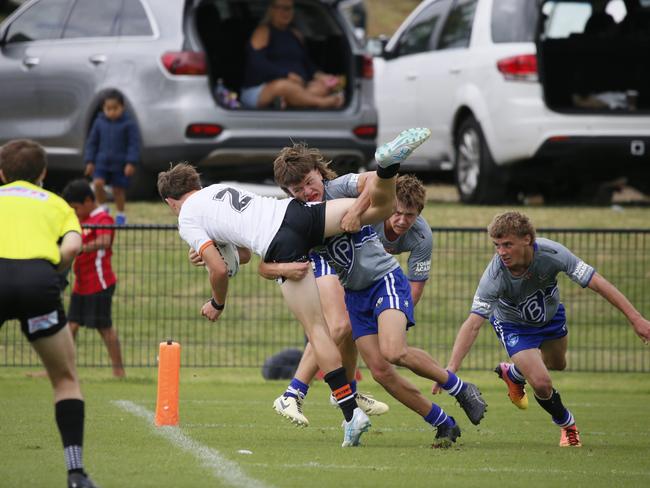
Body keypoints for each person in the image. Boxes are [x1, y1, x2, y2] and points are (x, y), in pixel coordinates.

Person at [158, 127, 431, 447]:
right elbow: (241, 254)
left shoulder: (186, 217)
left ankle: (351, 414)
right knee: (381, 210)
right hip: (296, 215)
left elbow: (221, 270)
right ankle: (386, 168)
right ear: (197, 185)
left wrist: (217, 302)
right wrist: (214, 250)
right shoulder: (217, 190)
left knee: (318, 330)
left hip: (278, 243)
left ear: (170, 202)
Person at [263, 151, 487, 448]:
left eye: (309, 181)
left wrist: (356, 211)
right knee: (381, 372)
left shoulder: (338, 187)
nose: (307, 191)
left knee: (394, 351)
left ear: (319, 171)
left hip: (384, 280)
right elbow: (263, 262)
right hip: (355, 296)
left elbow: (374, 182)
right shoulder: (298, 217)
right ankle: (443, 423)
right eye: (297, 190)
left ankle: (460, 389)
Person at [436, 211, 650, 447]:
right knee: (541, 383)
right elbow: (473, 323)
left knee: (558, 364)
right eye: (497, 245)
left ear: (527, 239)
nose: (501, 252)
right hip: (514, 326)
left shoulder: (552, 253)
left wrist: (636, 318)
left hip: (551, 318)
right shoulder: (494, 276)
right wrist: (452, 368)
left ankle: (514, 374)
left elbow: (597, 283)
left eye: (507, 244)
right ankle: (567, 424)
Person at [266, 172, 434, 428]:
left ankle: (346, 391)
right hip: (324, 256)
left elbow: (415, 287)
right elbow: (375, 178)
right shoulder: (337, 191)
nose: (401, 221)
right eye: (396, 212)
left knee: (348, 328)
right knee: (338, 325)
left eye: (410, 215)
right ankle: (294, 392)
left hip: (358, 274)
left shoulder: (421, 236)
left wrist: (392, 314)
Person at [0, 140, 98, 488]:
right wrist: (57, 272)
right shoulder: (56, 203)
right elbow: (72, 245)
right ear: (42, 174)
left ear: (2, 173)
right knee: (65, 379)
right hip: (37, 284)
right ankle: (75, 473)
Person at [62, 179, 126, 378]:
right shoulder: (79, 219)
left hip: (100, 282)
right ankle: (61, 369)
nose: (75, 212)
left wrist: (81, 247)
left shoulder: (103, 218)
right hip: (81, 284)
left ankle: (119, 372)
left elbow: (105, 241)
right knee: (70, 326)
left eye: (76, 207)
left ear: (89, 200)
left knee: (104, 327)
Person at [240, 0, 344, 109]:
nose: (286, 12)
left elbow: (307, 64)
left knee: (321, 87)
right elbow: (257, 63)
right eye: (282, 8)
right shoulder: (263, 31)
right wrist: (286, 75)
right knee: (284, 87)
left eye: (289, 8)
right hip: (261, 90)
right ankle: (323, 103)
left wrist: (322, 76)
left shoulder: (296, 34)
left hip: (298, 87)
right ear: (272, 10)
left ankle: (289, 103)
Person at [84, 90, 141, 225]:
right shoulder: (99, 123)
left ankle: (121, 214)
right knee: (97, 184)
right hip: (101, 162)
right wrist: (90, 161)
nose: (111, 112)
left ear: (122, 107)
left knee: (118, 190)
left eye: (115, 108)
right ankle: (103, 209)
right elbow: (92, 143)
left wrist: (131, 162)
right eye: (108, 109)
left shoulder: (129, 124)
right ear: (103, 108)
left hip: (120, 164)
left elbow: (134, 144)